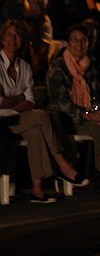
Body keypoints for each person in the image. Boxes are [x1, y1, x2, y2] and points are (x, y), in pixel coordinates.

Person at [0, 20, 88, 203]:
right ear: (2, 38)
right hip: (3, 120)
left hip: (22, 118)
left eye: (17, 35)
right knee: (43, 116)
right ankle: (63, 165)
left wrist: (12, 102)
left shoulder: (24, 67)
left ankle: (37, 189)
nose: (12, 39)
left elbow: (30, 101)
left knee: (36, 131)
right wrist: (19, 99)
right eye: (9, 34)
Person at [46, 23, 100, 192]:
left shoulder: (91, 65)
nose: (79, 45)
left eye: (83, 40)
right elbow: (60, 102)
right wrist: (88, 114)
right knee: (96, 120)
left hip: (83, 114)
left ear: (88, 43)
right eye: (74, 40)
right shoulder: (58, 66)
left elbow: (93, 97)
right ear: (68, 43)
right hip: (62, 116)